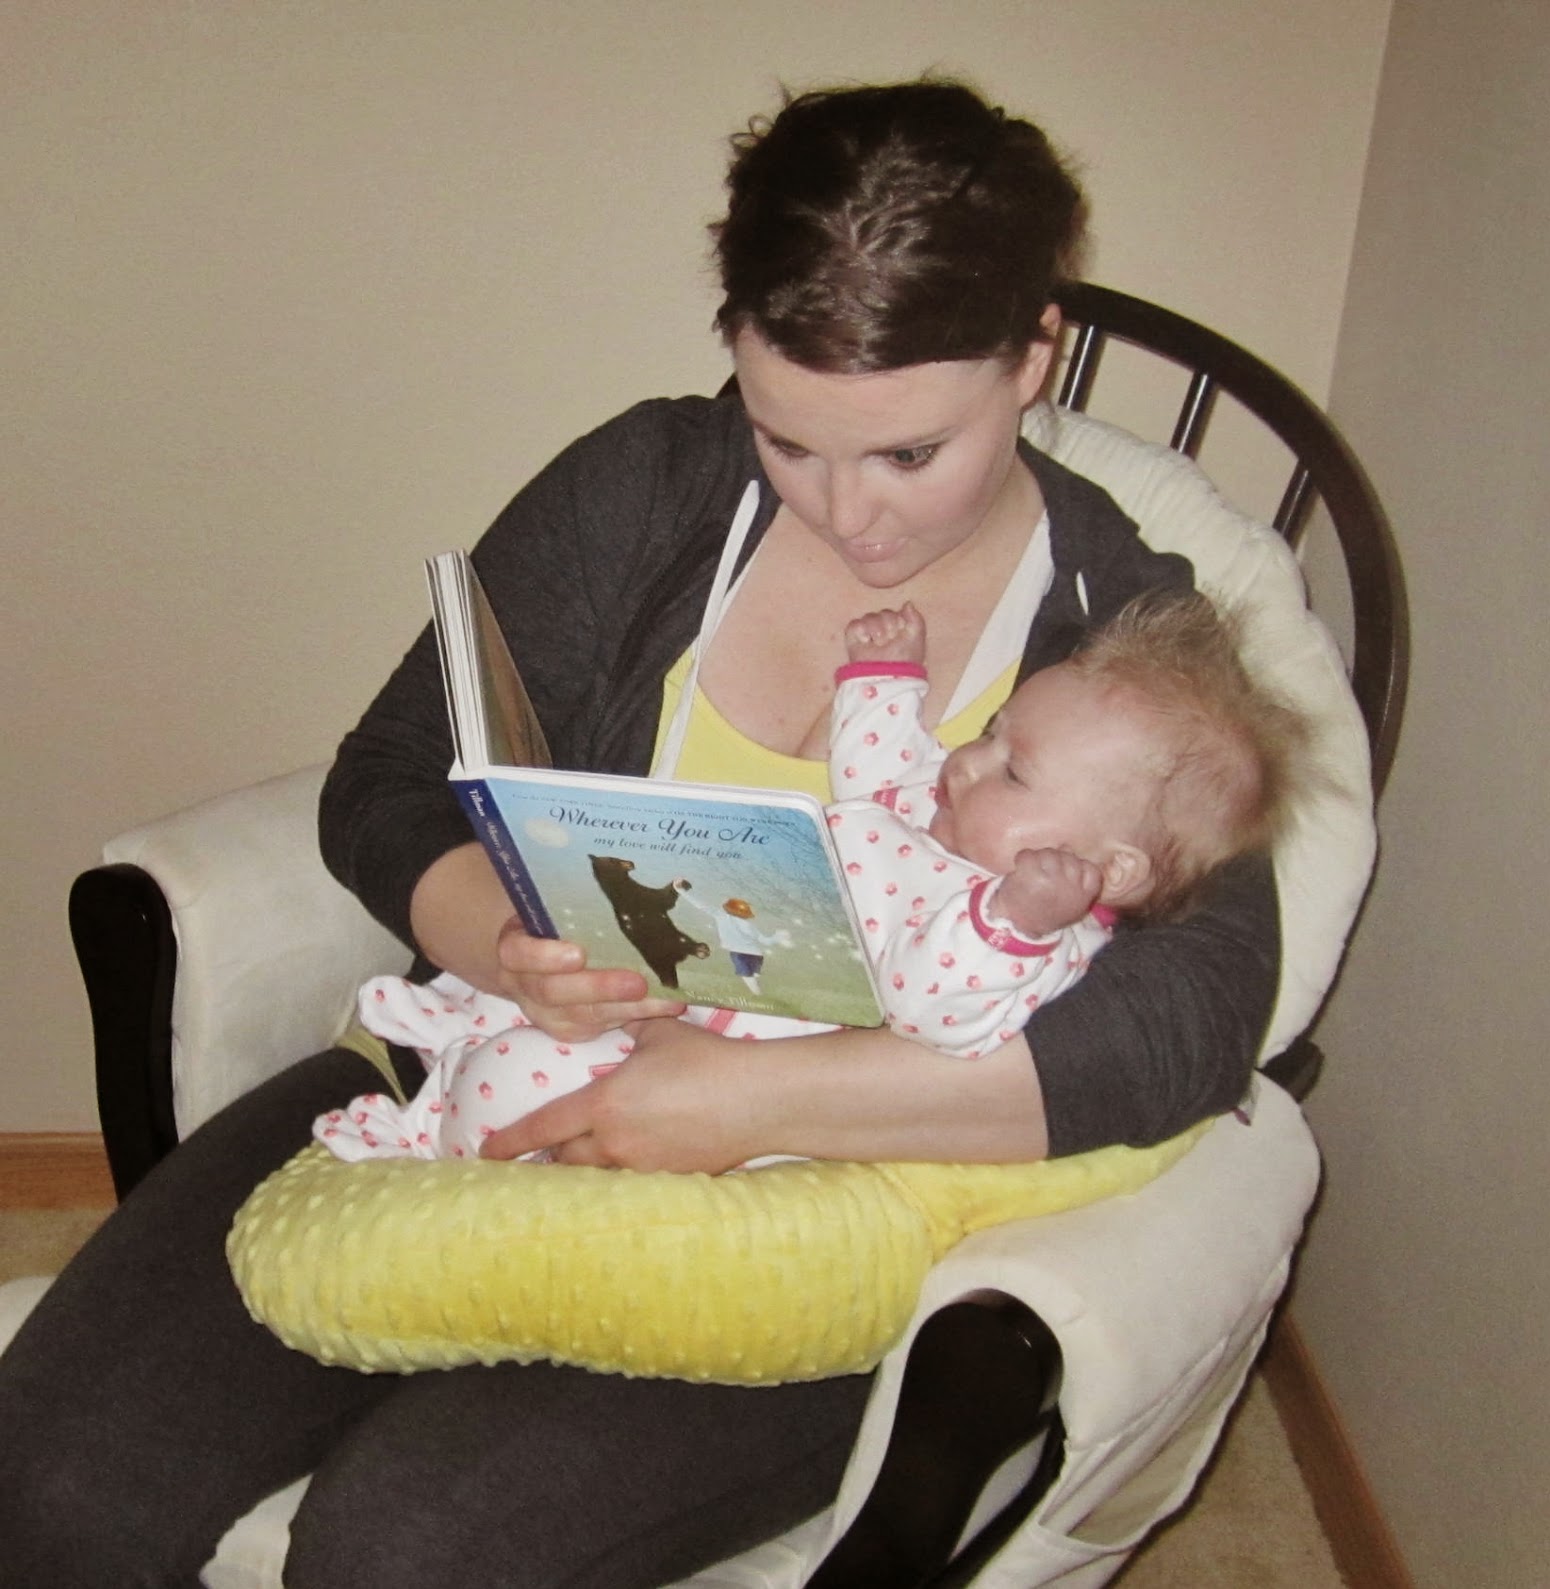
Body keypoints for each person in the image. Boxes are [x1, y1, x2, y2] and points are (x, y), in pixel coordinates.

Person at [0, 78, 1283, 1587]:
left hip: (789, 1217)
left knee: (411, 1550)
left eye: (908, 454)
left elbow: (1195, 1022)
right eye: (788, 439)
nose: (849, 516)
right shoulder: (649, 484)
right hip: (475, 1070)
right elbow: (389, 775)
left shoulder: (1125, 640)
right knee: (55, 1481)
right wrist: (508, 945)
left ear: (1032, 357)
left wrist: (754, 1100)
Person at [318, 591, 1303, 1166]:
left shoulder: (1029, 930)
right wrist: (886, 682)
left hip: (744, 1059)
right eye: (993, 732)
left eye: (1015, 769)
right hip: (695, 986)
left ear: (1109, 867)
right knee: (533, 1008)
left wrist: (1011, 921)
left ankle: (441, 1145)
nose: (969, 761)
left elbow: (935, 1003)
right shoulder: (939, 812)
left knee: (517, 1081)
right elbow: (875, 769)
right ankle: (449, 1061)